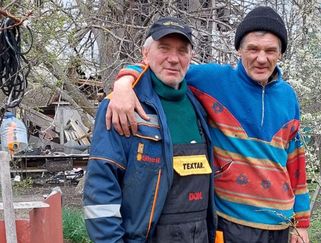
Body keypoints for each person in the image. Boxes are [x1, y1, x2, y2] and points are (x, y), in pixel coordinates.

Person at [107, 7, 310, 243]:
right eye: (253, 49)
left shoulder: (288, 96)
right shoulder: (212, 80)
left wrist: (301, 223)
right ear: (238, 50)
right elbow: (165, 66)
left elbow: (296, 163)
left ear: (281, 54)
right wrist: (124, 82)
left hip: (282, 225)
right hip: (231, 223)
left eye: (270, 51)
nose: (261, 58)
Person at [83, 17, 217, 243]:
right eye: (164, 49)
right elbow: (101, 187)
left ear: (190, 57)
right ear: (145, 54)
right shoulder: (121, 105)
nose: (173, 59)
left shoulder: (199, 104)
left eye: (182, 51)